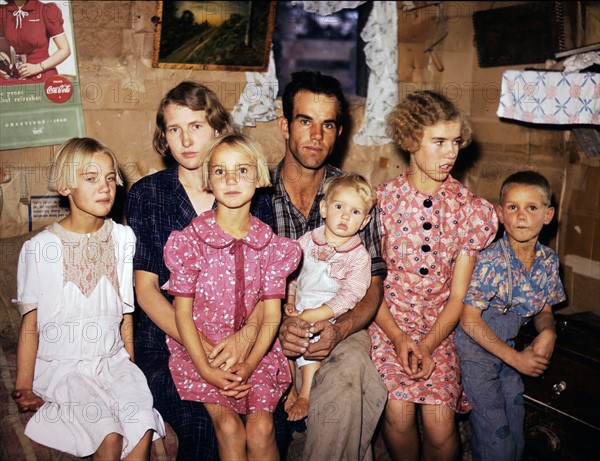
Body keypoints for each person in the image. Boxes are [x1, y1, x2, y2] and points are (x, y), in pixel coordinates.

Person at [126, 81, 281, 461]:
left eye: (196, 126)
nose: (185, 139)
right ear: (164, 136)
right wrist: (204, 351)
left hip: (245, 337)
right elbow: (146, 290)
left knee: (268, 424)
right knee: (207, 429)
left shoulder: (247, 192)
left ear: (217, 128)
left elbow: (271, 286)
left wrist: (245, 340)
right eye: (173, 129)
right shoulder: (149, 194)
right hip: (170, 341)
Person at [12, 137, 165, 459]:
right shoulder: (40, 249)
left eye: (110, 178)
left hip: (113, 363)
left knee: (141, 424)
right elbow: (31, 323)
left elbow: (126, 316)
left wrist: (130, 374)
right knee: (108, 436)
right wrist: (24, 386)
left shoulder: (124, 239)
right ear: (65, 186)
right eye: (91, 178)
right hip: (65, 369)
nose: (105, 187)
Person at [368, 90, 498, 461]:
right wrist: (398, 338)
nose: (450, 152)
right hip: (388, 324)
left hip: (441, 329)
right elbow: (370, 288)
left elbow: (458, 297)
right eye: (438, 142)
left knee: (441, 422)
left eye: (455, 141)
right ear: (410, 141)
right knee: (398, 410)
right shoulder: (381, 203)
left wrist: (427, 345)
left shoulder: (469, 210)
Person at [163, 132, 301, 460]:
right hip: (202, 353)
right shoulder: (191, 242)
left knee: (262, 429)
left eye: (242, 170)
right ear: (208, 179)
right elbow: (181, 314)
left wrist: (250, 365)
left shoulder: (271, 246)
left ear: (259, 177)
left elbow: (270, 317)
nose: (231, 180)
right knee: (228, 428)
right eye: (220, 171)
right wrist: (207, 369)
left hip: (258, 352)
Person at [273, 70, 388, 461]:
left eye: (328, 125)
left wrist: (337, 330)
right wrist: (282, 322)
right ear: (284, 124)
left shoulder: (355, 196)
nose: (316, 136)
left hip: (339, 318)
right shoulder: (255, 194)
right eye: (305, 121)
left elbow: (371, 289)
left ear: (339, 132)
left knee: (349, 371)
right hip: (272, 320)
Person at [455, 170, 566, 461]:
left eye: (532, 208)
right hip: (478, 352)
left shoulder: (548, 261)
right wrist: (516, 358)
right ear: (500, 213)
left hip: (508, 351)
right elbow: (468, 320)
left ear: (548, 214)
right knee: (497, 438)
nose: (521, 216)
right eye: (513, 207)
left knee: (515, 433)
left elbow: (544, 309)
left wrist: (548, 332)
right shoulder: (491, 260)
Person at [284, 173, 375, 422]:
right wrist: (290, 303)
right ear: (324, 208)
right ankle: (289, 387)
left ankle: (304, 394)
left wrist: (319, 313)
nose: (346, 216)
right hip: (300, 305)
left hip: (329, 313)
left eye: (355, 212)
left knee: (309, 345)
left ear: (365, 221)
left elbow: (351, 294)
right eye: (339, 207)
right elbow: (291, 274)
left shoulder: (358, 256)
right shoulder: (307, 241)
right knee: (281, 343)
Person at [0, 0, 71, 84]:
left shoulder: (46, 10)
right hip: (17, 73)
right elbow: (4, 49)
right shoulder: (3, 12)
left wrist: (38, 67)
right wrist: (5, 67)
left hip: (43, 71)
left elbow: (65, 50)